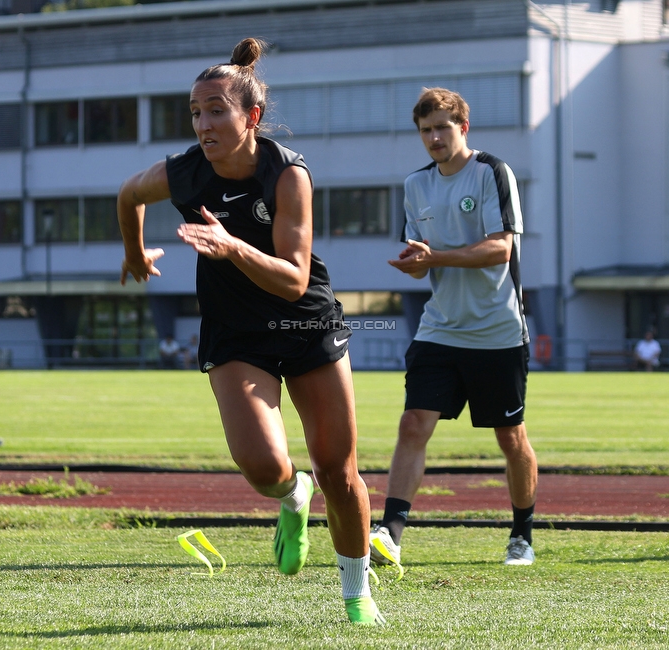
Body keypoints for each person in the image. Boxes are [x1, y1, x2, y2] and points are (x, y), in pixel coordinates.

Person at [116, 38, 383, 625]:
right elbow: (130, 193)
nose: (203, 123)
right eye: (195, 111)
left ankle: (356, 593)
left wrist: (231, 245)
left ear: (251, 117)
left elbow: (292, 280)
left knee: (340, 471)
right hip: (236, 332)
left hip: (302, 321)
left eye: (216, 110)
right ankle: (293, 495)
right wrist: (135, 254)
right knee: (263, 467)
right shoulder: (185, 173)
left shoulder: (286, 173)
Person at [370, 88, 538, 569]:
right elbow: (421, 258)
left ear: (464, 127)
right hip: (440, 328)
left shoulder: (491, 173)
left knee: (511, 438)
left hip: (497, 331)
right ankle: (391, 533)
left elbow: (499, 248)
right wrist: (414, 264)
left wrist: (435, 257)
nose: (434, 138)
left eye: (443, 127)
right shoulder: (415, 185)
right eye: (426, 130)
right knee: (412, 424)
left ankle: (522, 536)